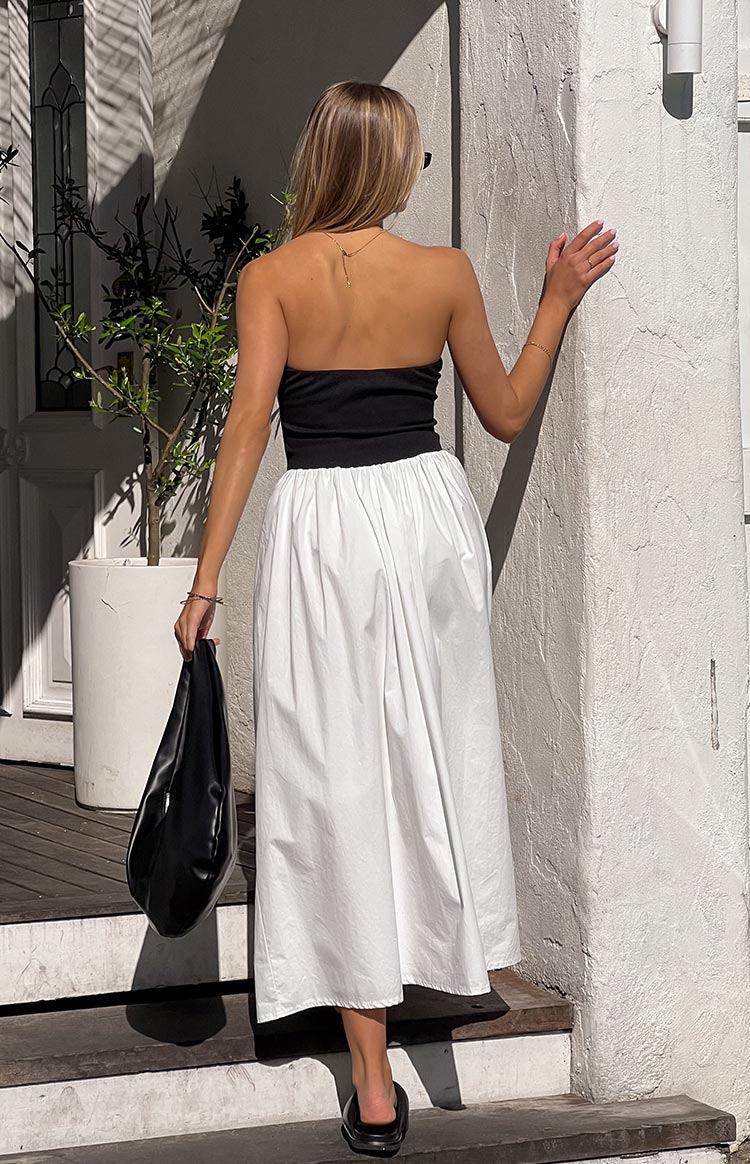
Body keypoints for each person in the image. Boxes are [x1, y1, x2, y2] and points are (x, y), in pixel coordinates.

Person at [174, 79, 617, 1158]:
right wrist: (555, 298)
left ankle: (371, 1081)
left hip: (324, 526)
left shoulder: (270, 277)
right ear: (390, 167)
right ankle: (436, 952)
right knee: (430, 757)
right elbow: (504, 414)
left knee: (332, 777)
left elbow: (244, 431)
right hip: (424, 521)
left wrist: (204, 581)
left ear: (320, 158)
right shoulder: (444, 274)